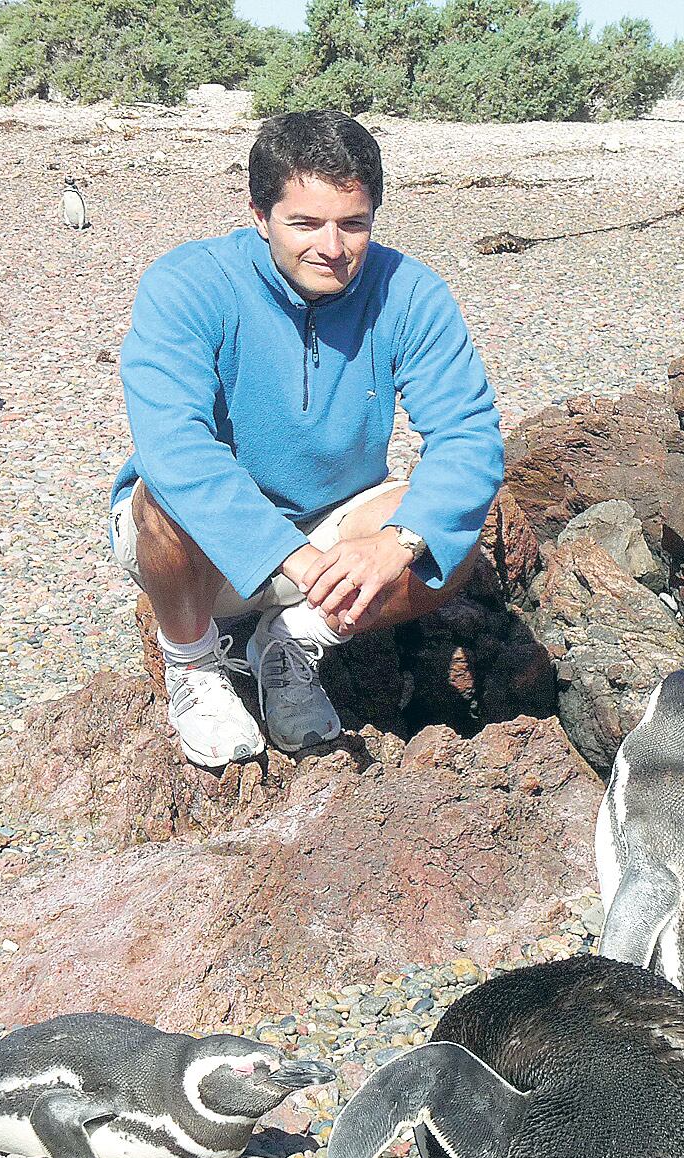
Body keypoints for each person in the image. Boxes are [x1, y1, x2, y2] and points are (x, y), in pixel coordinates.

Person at [109, 109, 503, 765]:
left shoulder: (409, 293)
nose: (333, 246)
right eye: (305, 224)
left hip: (329, 531)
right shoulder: (187, 284)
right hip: (208, 551)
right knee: (157, 495)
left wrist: (397, 541)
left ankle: (289, 643)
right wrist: (285, 554)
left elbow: (468, 435)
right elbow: (174, 444)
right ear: (259, 215)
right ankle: (194, 664)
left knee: (451, 536)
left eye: (353, 224)